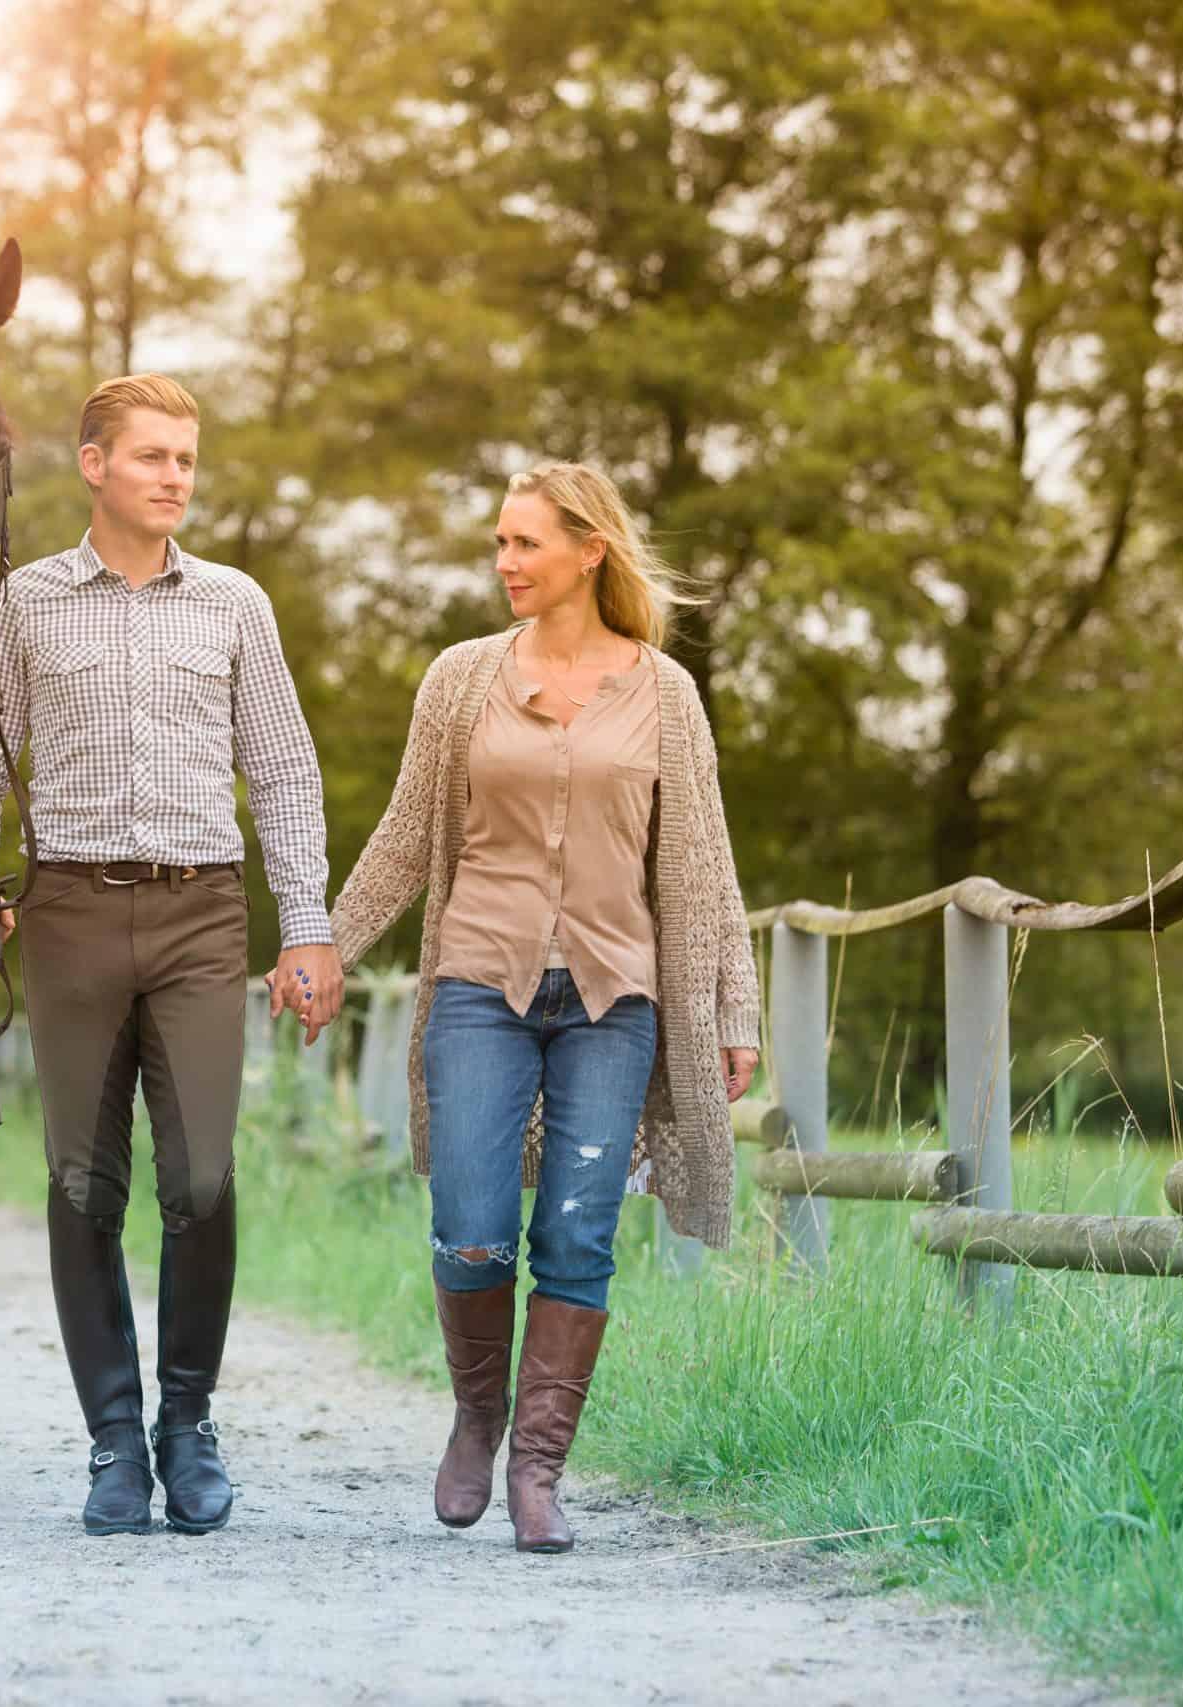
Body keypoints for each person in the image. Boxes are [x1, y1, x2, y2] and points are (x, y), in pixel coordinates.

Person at [321, 461, 760, 1553]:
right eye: (500, 543)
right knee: (471, 1230)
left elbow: (702, 861)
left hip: (615, 999)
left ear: (588, 552)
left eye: (525, 544)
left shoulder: (664, 692)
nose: (505, 562)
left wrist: (730, 1008)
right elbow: (405, 834)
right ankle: (477, 1419)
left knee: (577, 1233)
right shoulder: (462, 679)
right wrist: (324, 942)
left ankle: (537, 1469)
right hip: (479, 984)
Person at [0, 374, 343, 1536]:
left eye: (186, 459)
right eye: (154, 456)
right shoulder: (20, 606)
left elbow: (283, 769)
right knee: (81, 1183)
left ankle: (187, 1425)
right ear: (94, 464)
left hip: (199, 915)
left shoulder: (233, 605)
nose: (175, 476)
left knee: (201, 1178)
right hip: (65, 912)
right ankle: (113, 1445)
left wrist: (305, 921)